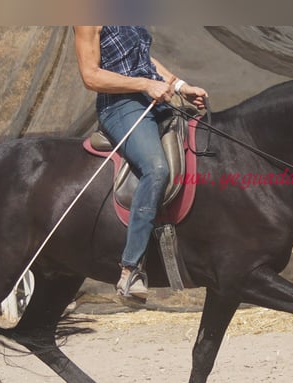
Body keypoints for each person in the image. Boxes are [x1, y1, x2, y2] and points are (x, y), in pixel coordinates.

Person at [74, 26, 208, 303]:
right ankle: (130, 269)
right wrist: (145, 84)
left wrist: (181, 86)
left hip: (153, 99)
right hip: (120, 106)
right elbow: (91, 75)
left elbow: (145, 61)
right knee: (156, 168)